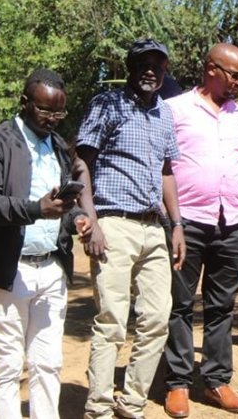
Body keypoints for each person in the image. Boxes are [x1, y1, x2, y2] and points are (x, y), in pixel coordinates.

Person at [0, 68, 95, 419]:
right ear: (24, 103)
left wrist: (76, 220)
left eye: (59, 113)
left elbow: (60, 210)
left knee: (48, 362)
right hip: (7, 270)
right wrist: (35, 209)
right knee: (8, 365)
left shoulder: (57, 147)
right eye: (45, 111)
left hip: (51, 268)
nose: (52, 119)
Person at [77, 39, 186, 419]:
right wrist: (91, 222)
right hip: (113, 223)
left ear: (166, 71)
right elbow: (82, 163)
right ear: (129, 66)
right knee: (112, 321)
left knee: (157, 319)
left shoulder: (165, 114)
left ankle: (133, 403)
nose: (151, 71)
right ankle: (99, 408)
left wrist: (176, 225)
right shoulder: (106, 104)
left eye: (158, 65)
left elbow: (167, 171)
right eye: (143, 63)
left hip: (154, 228)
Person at [162, 43, 238, 417]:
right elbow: (162, 166)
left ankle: (217, 381)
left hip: (232, 224)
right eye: (235, 75)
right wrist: (170, 219)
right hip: (185, 224)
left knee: (222, 307)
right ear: (211, 69)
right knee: (180, 304)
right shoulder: (174, 111)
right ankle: (177, 384)